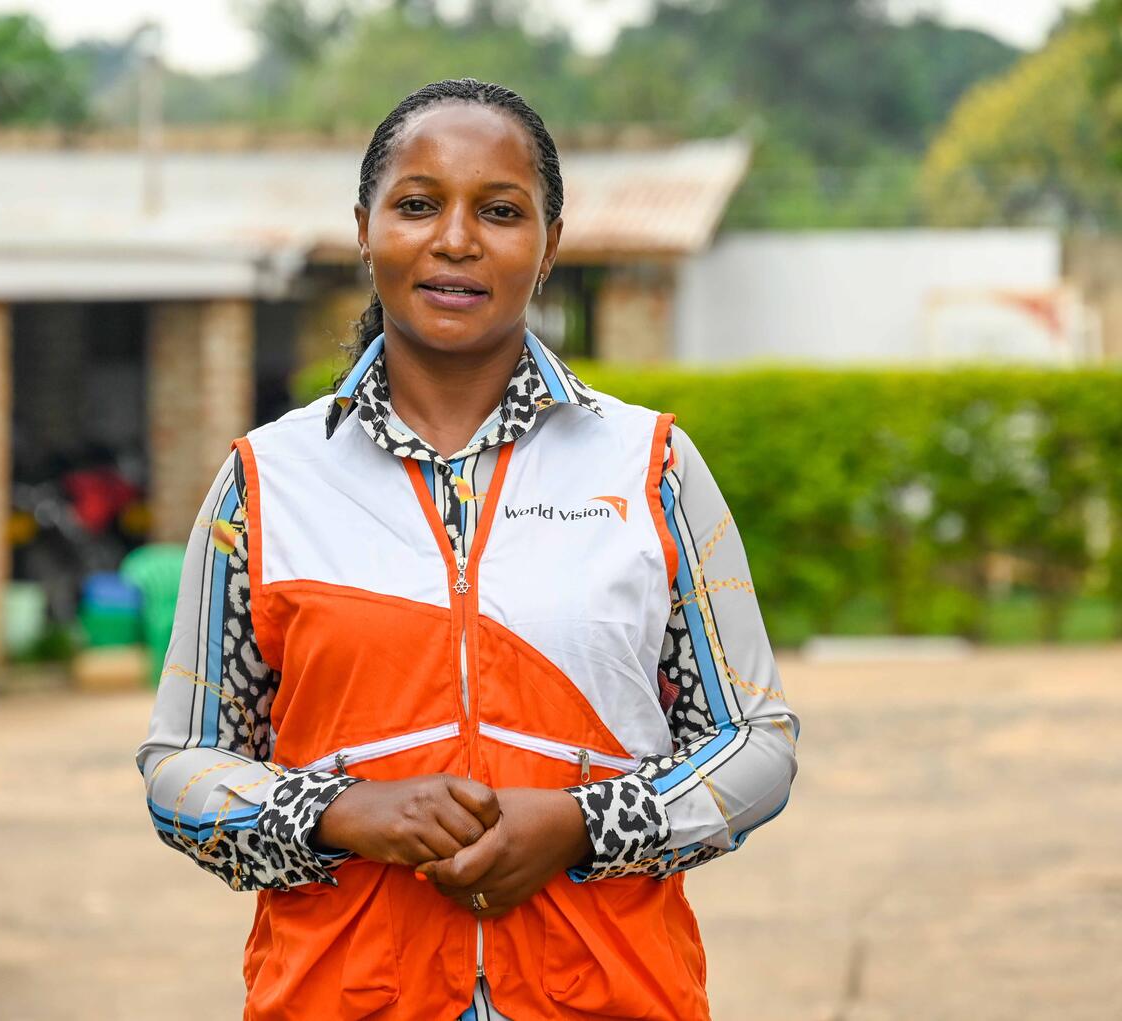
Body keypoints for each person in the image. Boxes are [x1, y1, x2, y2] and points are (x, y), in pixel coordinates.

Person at [136, 78, 799, 1021]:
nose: (455, 240)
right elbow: (181, 763)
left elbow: (754, 742)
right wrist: (337, 814)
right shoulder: (266, 481)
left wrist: (583, 825)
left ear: (549, 245)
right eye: (417, 205)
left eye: (499, 210)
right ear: (364, 229)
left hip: (608, 994)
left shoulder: (649, 465)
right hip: (343, 996)